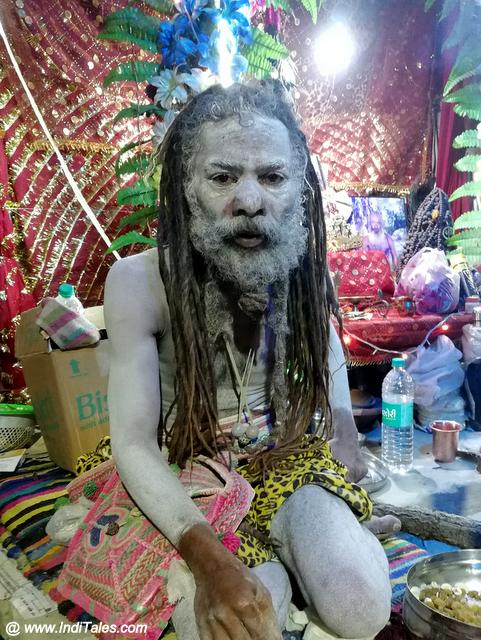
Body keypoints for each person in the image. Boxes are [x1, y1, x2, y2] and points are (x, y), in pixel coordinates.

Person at [104, 81, 394, 640]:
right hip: (184, 472)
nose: (250, 200)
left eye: (272, 177)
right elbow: (133, 441)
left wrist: (341, 426)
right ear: (187, 187)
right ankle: (280, 574)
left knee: (360, 613)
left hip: (285, 457)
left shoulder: (302, 269)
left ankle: (307, 553)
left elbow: (326, 340)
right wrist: (208, 560)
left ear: (298, 187)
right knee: (229, 631)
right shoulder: (139, 283)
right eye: (222, 177)